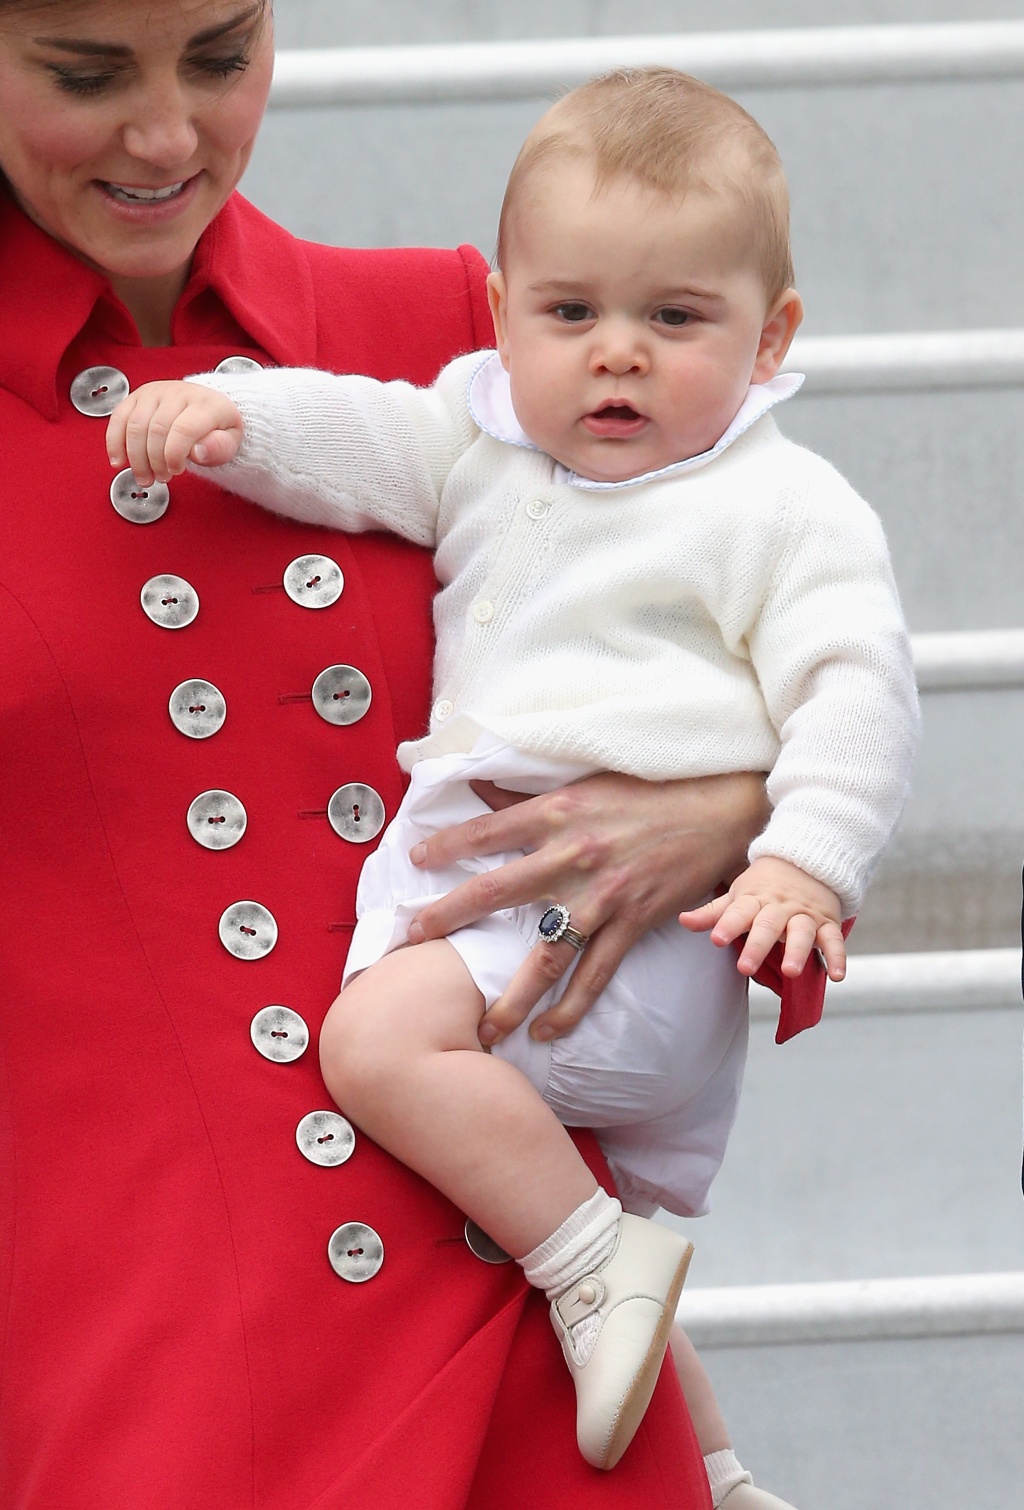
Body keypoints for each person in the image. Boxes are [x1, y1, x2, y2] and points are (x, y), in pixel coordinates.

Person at [0, 6, 790, 1509]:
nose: (168, 136)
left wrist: (729, 808)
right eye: (86, 76)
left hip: (521, 1317)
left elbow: (779, 645)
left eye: (221, 57)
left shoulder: (479, 332)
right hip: (141, 1365)